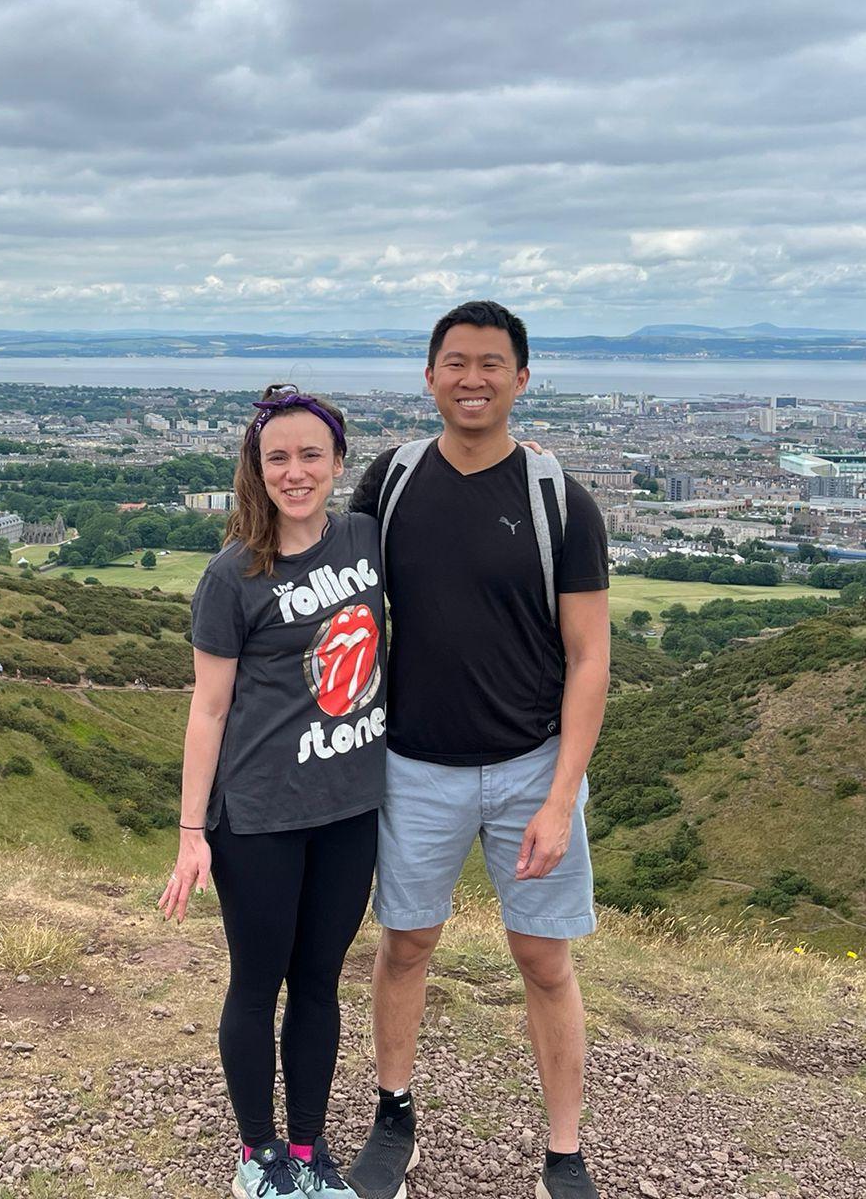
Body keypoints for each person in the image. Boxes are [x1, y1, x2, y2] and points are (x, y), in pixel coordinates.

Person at [345, 301, 611, 1199]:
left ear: (521, 379)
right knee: (406, 943)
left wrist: (558, 795)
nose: (471, 378)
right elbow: (342, 610)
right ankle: (392, 1116)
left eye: (491, 363)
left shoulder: (557, 498)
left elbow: (588, 657)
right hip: (414, 764)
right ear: (427, 377)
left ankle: (564, 1155)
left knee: (543, 960)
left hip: (533, 765)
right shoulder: (388, 484)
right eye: (454, 362)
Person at [161, 386, 387, 1199]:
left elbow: (449, 485)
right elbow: (208, 706)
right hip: (256, 815)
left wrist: (524, 455)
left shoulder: (365, 535)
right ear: (256, 470)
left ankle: (306, 1150)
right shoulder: (232, 575)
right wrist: (193, 830)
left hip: (350, 807)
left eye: (310, 456)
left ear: (336, 462)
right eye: (277, 458)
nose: (295, 472)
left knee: (320, 983)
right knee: (257, 984)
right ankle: (257, 1154)